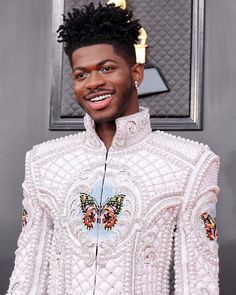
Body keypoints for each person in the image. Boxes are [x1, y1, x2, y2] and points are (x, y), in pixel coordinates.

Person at [7, 2, 220, 295]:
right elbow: (26, 272)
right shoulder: (43, 162)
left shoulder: (190, 163)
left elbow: (199, 281)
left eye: (106, 68)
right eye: (81, 74)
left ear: (136, 73)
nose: (93, 83)